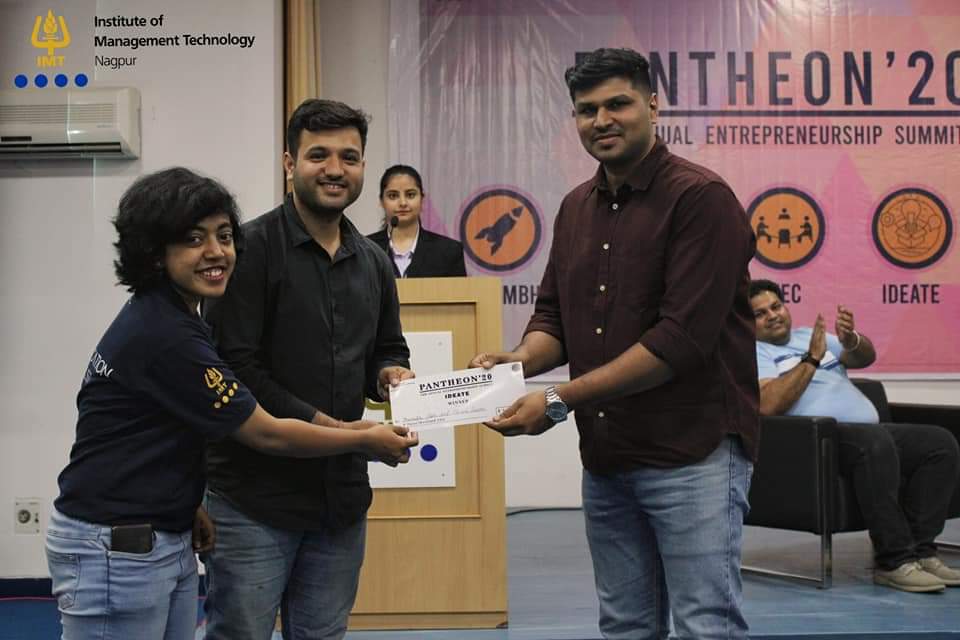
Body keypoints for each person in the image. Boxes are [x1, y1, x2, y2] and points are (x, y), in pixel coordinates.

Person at [46, 167, 417, 640]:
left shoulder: (177, 318)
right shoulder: (167, 334)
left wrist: (188, 505)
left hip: (160, 531)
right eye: (193, 239)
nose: (216, 251)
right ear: (154, 252)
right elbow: (267, 433)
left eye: (224, 236)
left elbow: (165, 433)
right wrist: (361, 438)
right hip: (118, 545)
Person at [470, 48, 759, 639]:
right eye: (586, 110)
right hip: (607, 458)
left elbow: (679, 341)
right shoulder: (576, 207)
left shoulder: (701, 199)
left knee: (706, 625)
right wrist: (518, 362)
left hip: (692, 454)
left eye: (617, 104)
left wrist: (557, 401)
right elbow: (554, 318)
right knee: (626, 625)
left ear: (653, 105)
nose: (601, 120)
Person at [202, 99, 415, 640]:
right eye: (319, 155)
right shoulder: (247, 252)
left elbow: (388, 347)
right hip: (253, 500)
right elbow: (236, 370)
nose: (335, 169)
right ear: (289, 163)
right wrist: (342, 433)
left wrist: (391, 375)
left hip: (339, 501)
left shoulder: (373, 261)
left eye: (350, 157)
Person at [750, 279, 960, 593]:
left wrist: (852, 341)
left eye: (776, 306)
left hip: (868, 432)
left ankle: (920, 551)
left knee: (939, 444)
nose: (772, 315)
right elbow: (769, 404)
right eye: (760, 313)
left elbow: (863, 358)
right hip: (817, 441)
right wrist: (811, 360)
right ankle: (894, 562)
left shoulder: (811, 336)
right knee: (874, 444)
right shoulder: (754, 352)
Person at [366, 164, 467, 277]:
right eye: (393, 196)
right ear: (381, 201)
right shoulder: (365, 250)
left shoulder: (449, 251)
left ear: (422, 199)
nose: (403, 203)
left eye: (410, 195)